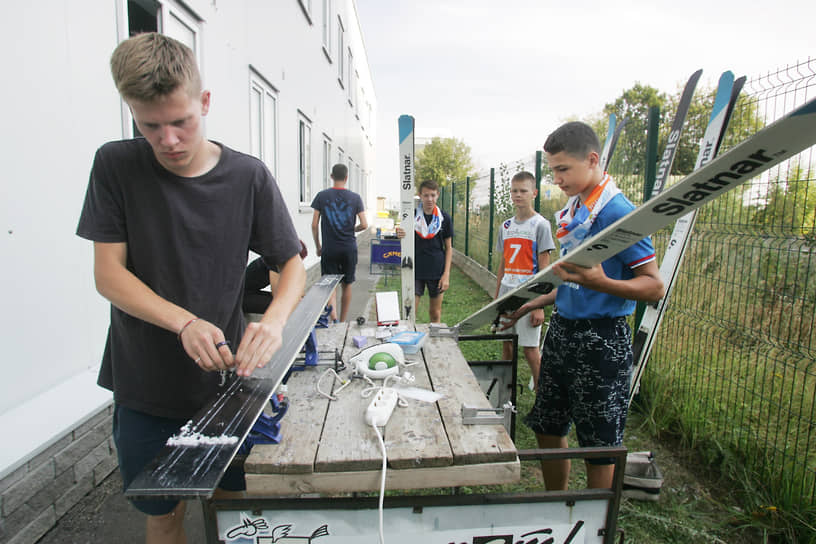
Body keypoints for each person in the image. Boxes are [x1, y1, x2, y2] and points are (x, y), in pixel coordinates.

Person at [76, 33, 306, 544]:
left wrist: (272, 321)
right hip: (144, 386)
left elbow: (289, 265)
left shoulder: (248, 176)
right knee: (164, 515)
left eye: (181, 122)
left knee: (236, 509)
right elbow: (108, 275)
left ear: (204, 103)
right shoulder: (115, 166)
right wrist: (183, 321)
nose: (169, 140)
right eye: (149, 125)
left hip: (224, 384)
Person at [504, 121, 664, 491]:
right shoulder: (576, 210)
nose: (556, 179)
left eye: (563, 169)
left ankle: (592, 525)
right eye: (553, 169)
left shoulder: (618, 212)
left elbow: (655, 287)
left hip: (602, 341)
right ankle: (556, 506)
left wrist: (602, 282)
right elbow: (570, 284)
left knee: (599, 446)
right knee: (547, 426)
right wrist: (528, 304)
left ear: (592, 160)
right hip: (563, 332)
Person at [495, 171, 555, 390]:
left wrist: (539, 305)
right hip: (506, 293)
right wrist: (497, 296)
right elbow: (502, 263)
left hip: (529, 296)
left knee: (530, 349)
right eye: (514, 191)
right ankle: (505, 392)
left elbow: (545, 268)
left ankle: (542, 401)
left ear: (534, 193)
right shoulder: (506, 226)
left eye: (523, 191)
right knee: (506, 344)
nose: (518, 195)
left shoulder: (541, 225)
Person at [311, 163, 368, 322]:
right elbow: (364, 224)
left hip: (330, 248)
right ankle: (343, 321)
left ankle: (333, 318)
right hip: (349, 247)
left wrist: (318, 246)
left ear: (331, 176)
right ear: (347, 177)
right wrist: (352, 230)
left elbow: (314, 224)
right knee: (347, 284)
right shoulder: (355, 198)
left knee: (330, 285)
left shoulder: (321, 197)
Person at [396, 180, 454, 323]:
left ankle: (435, 343)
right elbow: (403, 236)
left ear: (438, 195)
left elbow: (449, 248)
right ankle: (411, 341)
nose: (429, 199)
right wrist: (400, 233)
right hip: (415, 270)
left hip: (437, 271)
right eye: (426, 195)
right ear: (420, 195)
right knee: (409, 312)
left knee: (435, 313)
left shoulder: (444, 218)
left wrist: (446, 274)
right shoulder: (411, 216)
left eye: (433, 195)